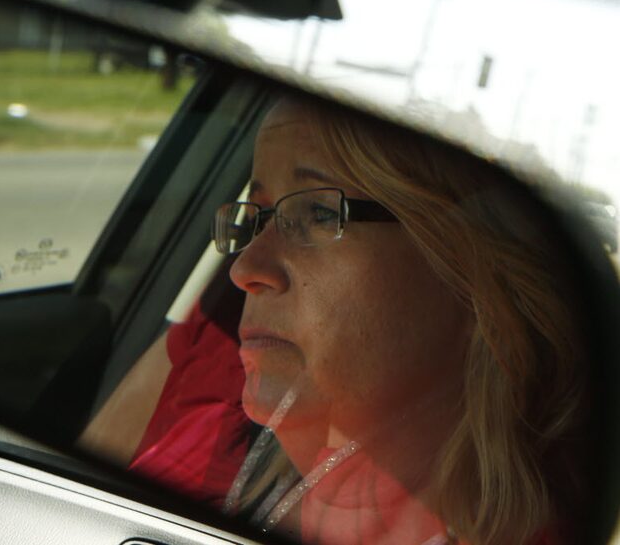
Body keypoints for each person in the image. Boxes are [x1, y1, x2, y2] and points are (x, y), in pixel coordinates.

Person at [80, 93, 591, 545]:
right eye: (256, 218)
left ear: (467, 281)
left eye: (320, 214)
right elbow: (69, 500)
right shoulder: (218, 362)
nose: (243, 270)